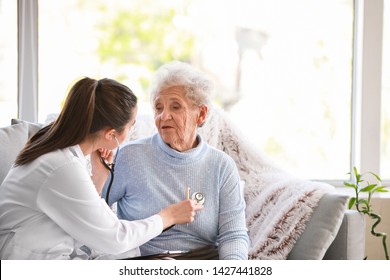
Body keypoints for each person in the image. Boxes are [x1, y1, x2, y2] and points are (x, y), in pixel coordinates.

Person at [0, 77, 203, 260]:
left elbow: (82, 212)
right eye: (131, 125)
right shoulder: (60, 167)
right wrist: (168, 216)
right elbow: (115, 238)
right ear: (111, 135)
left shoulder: (58, 146)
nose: (132, 131)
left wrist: (99, 177)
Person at [103, 61, 249, 260]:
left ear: (201, 114)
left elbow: (233, 235)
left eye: (175, 107)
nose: (164, 116)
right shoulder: (128, 156)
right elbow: (94, 209)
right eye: (158, 107)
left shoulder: (221, 166)